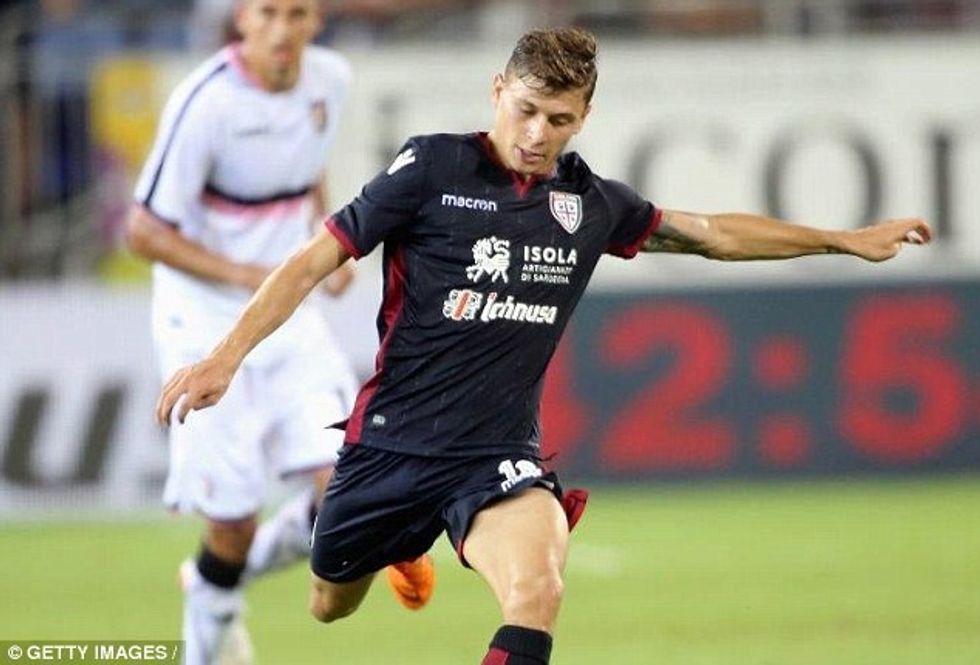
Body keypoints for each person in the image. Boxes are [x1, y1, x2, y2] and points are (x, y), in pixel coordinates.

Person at [155, 27, 931, 665]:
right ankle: (399, 546)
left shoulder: (589, 206)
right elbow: (313, 258)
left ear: (584, 117)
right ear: (498, 90)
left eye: (558, 120)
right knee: (328, 603)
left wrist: (841, 239)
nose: (536, 135)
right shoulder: (430, 169)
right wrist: (227, 355)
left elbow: (715, 233)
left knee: (538, 592)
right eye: (525, 110)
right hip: (390, 448)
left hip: (495, 455)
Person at [126, 1, 434, 663]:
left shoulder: (330, 79)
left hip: (288, 315)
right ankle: (209, 618)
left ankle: (217, 583)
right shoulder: (204, 102)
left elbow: (308, 164)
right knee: (231, 524)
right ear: (243, 21)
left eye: (297, 12)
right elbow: (142, 231)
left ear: (315, 22)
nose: (283, 27)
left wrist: (326, 242)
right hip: (202, 322)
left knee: (346, 486)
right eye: (268, 11)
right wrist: (245, 272)